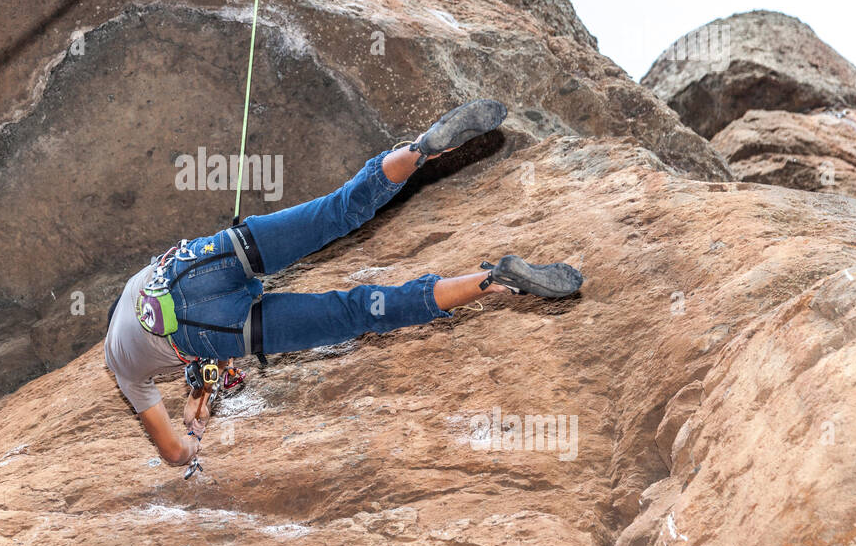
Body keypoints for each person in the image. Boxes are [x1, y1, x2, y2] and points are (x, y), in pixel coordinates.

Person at [103, 100, 583, 466]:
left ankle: (492, 280)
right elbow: (200, 351)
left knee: (355, 311)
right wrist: (201, 389)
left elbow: (170, 450)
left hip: (208, 326)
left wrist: (190, 441)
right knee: (338, 209)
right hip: (210, 259)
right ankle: (420, 150)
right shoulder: (134, 284)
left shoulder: (123, 370)